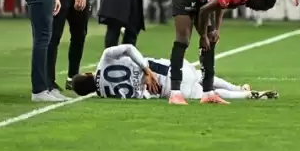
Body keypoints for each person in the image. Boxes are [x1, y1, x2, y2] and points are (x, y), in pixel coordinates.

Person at [167, 0, 277, 105]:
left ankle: (208, 93)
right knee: (183, 39)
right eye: (259, 7)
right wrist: (203, 36)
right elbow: (205, 10)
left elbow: (220, 4)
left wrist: (216, 30)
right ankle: (175, 93)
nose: (254, 9)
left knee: (211, 39)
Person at [68, 44, 278, 100]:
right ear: (87, 73)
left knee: (207, 93)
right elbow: (129, 48)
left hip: (169, 90)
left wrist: (147, 86)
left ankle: (245, 95)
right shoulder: (105, 58)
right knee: (203, 77)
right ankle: (239, 88)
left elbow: (144, 95)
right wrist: (146, 69)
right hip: (170, 70)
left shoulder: (109, 95)